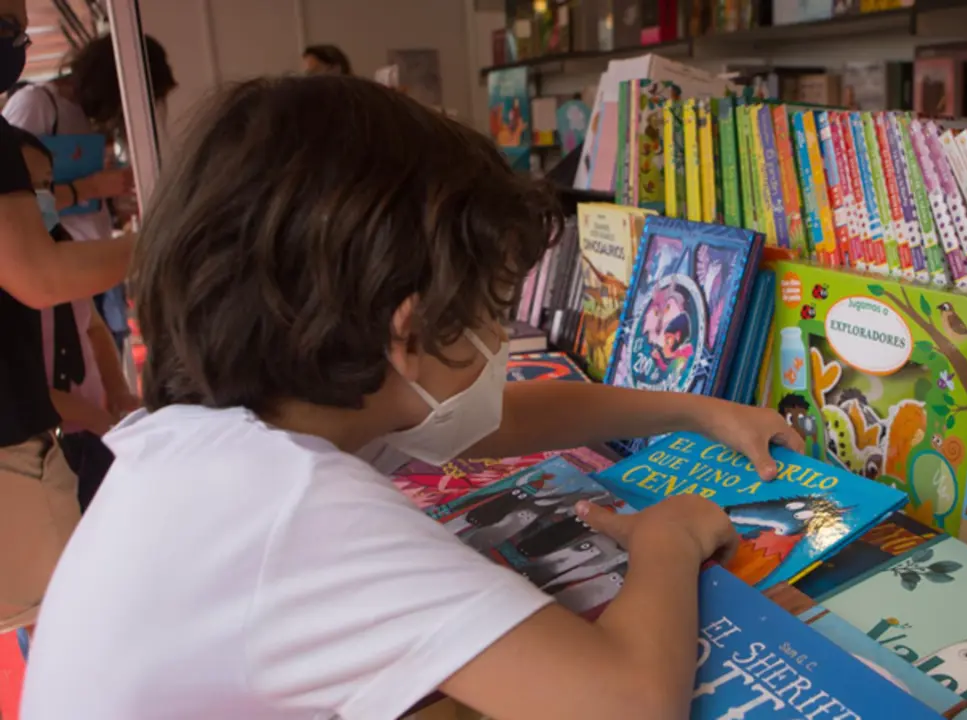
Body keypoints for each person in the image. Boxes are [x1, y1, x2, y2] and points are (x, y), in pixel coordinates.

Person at [20, 75, 801, 719]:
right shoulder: (291, 501)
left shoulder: (237, 433)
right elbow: (627, 703)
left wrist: (697, 409)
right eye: (496, 313)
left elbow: (495, 421)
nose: (503, 346)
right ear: (410, 333)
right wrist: (667, 541)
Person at [0, 0, 133, 642]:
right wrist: (163, 241)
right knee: (67, 621)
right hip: (21, 442)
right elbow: (37, 278)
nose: (18, 40)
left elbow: (92, 328)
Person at [5, 32, 177, 354]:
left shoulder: (83, 118)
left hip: (89, 266)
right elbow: (19, 201)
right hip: (60, 269)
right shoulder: (36, 105)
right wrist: (92, 188)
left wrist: (110, 204)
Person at [14, 126, 137, 508]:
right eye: (27, 186)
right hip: (46, 449)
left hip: (91, 434)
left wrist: (117, 393)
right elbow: (24, 382)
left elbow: (93, 327)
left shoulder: (64, 247)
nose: (42, 197)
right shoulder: (16, 277)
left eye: (47, 184)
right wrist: (94, 418)